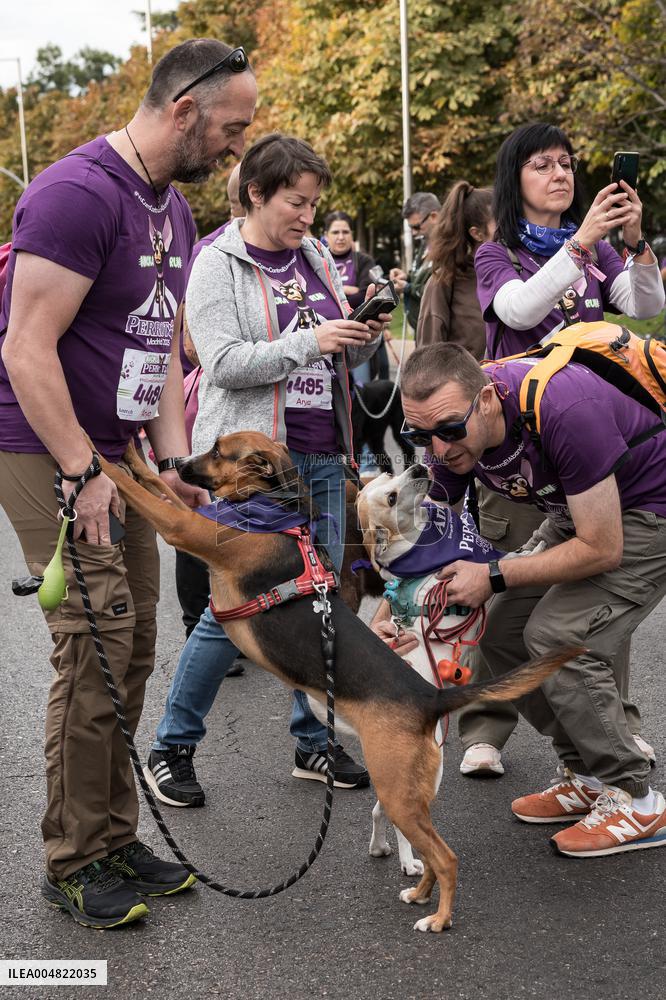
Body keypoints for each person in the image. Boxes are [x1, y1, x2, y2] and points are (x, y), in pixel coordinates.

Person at [0, 38, 257, 929]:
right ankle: (74, 861)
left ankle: (113, 839)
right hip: (50, 449)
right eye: (231, 127)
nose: (237, 145)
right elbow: (25, 349)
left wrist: (176, 467)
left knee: (136, 642)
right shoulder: (76, 194)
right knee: (94, 647)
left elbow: (159, 351)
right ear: (184, 109)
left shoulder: (172, 209)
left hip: (121, 454)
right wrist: (83, 470)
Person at [144, 133, 386, 808]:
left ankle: (313, 742)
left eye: (313, 203)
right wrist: (312, 340)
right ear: (255, 193)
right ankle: (171, 747)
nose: (308, 216)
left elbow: (328, 352)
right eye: (295, 202)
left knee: (322, 603)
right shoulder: (215, 262)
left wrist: (356, 335)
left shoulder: (315, 255)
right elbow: (219, 361)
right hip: (253, 469)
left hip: (323, 455)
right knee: (233, 610)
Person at [400, 341, 666, 858]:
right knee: (499, 634)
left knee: (558, 635)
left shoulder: (566, 410)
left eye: (449, 430)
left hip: (646, 512)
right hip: (574, 514)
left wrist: (494, 573)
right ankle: (588, 774)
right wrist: (396, 612)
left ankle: (637, 799)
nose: (438, 449)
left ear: (486, 401)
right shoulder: (449, 431)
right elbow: (434, 533)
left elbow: (602, 547)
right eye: (418, 435)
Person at [460, 122, 665, 775]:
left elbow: (645, 308)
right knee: (505, 605)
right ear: (513, 179)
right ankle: (493, 729)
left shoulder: (596, 247)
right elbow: (518, 311)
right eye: (542, 165)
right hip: (520, 449)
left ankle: (605, 738)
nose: (560, 175)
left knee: (590, 603)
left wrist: (633, 243)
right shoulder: (498, 254)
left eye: (567, 164)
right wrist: (580, 245)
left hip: (595, 443)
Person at [416, 181, 493, 356]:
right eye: (501, 221)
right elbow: (428, 356)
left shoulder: (514, 275)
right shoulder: (443, 281)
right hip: (464, 374)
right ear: (477, 233)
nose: (511, 227)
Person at [395, 192, 441, 331]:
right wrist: (406, 277)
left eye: (416, 227)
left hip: (439, 331)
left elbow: (438, 292)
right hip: (422, 329)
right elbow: (421, 277)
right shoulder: (425, 242)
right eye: (411, 228)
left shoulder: (451, 246)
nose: (414, 233)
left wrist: (407, 287)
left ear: (434, 216)